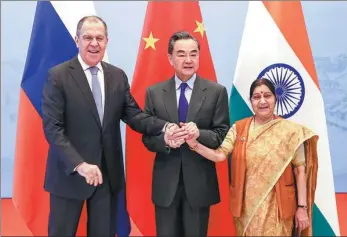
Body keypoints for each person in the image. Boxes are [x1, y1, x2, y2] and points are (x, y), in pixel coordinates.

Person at [41, 16, 173, 236]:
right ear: (77, 40)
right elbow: (53, 128)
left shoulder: (117, 76)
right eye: (88, 37)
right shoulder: (58, 76)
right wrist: (79, 164)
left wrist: (165, 127)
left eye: (99, 38)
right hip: (69, 173)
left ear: (106, 41)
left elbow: (134, 115)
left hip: (106, 175)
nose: (94, 43)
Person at [184, 78, 318, 236]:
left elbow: (300, 171)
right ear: (251, 101)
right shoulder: (239, 129)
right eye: (256, 97)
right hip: (246, 208)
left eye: (267, 96)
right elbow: (219, 155)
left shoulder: (291, 132)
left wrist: (302, 208)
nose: (262, 101)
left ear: (275, 98)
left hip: (279, 208)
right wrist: (194, 144)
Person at [141, 31, 230, 236]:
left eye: (194, 54)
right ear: (170, 59)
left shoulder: (216, 92)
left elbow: (221, 135)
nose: (188, 60)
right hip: (166, 186)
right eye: (181, 54)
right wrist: (165, 140)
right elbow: (147, 137)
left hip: (199, 185)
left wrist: (198, 134)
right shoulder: (154, 93)